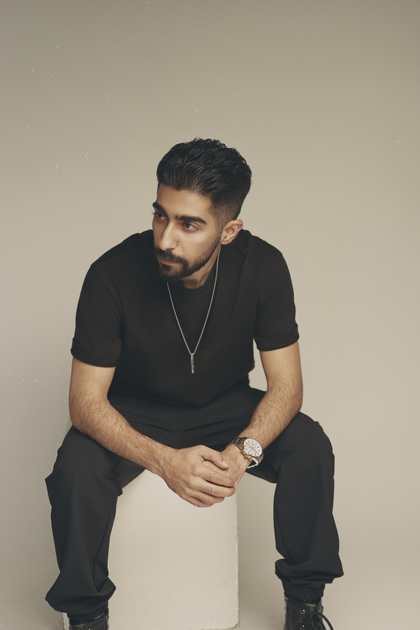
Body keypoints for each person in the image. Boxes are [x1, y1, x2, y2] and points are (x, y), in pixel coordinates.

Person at [45, 138, 343, 630]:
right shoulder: (111, 274)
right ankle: (87, 616)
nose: (165, 239)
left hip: (225, 405)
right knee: (76, 468)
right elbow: (85, 402)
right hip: (135, 409)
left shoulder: (264, 266)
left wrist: (241, 454)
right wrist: (166, 462)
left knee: (309, 444)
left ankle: (305, 605)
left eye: (189, 224)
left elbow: (287, 386)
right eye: (160, 215)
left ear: (228, 231)